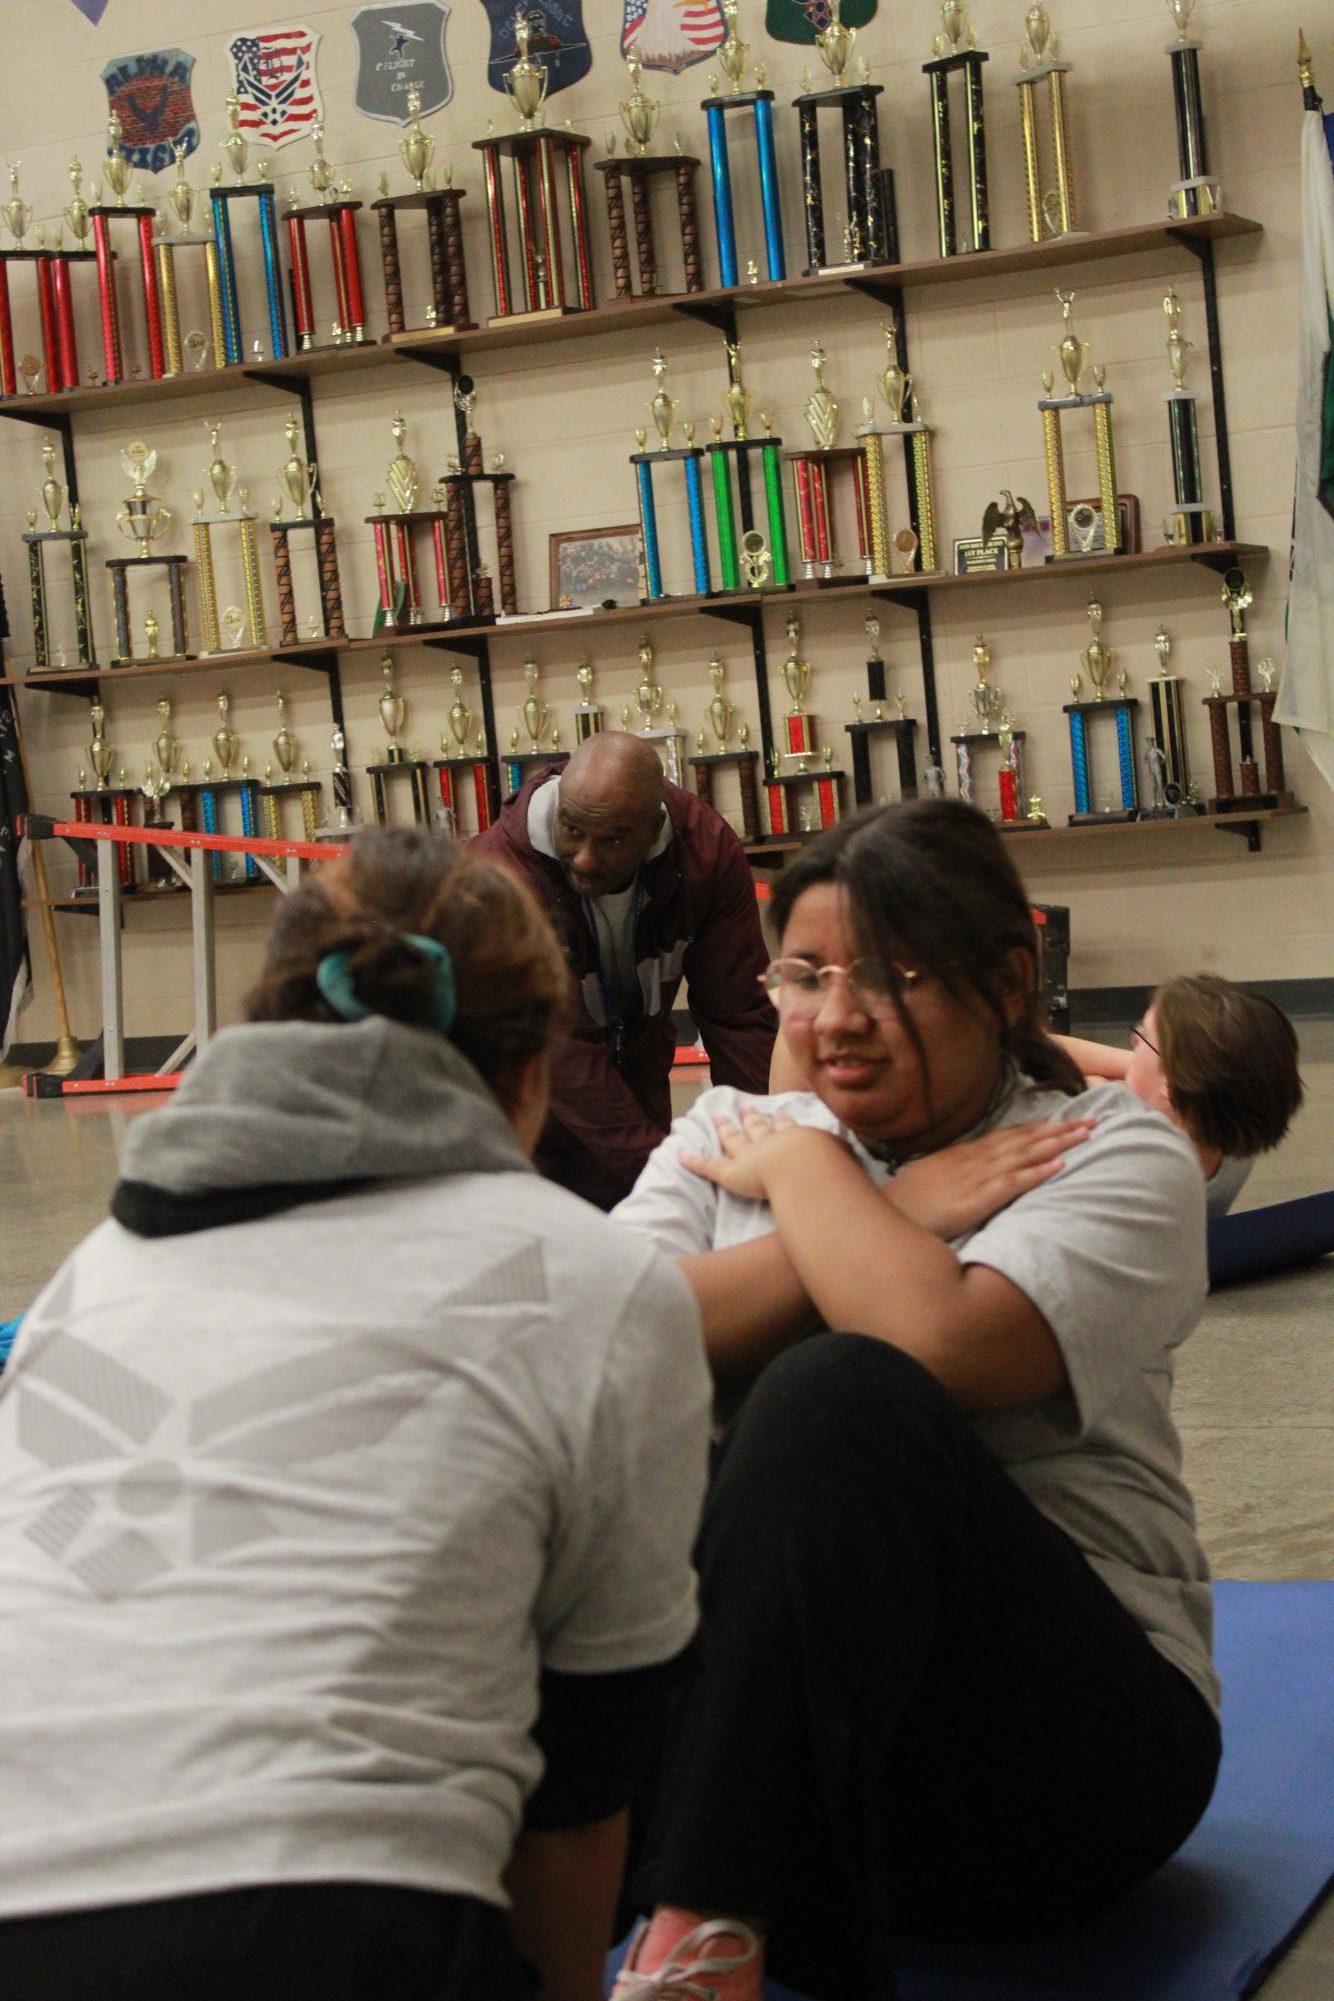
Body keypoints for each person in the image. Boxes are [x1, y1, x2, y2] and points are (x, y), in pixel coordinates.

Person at [0, 827, 711, 2001]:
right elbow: (580, 1792)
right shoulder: (590, 1278)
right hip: (321, 1926)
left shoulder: (97, 1273)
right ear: (532, 1072)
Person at [610, 799, 1222, 2001]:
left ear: (1003, 984)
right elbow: (608, 1351)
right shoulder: (729, 1127)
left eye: (887, 975)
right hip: (787, 1755)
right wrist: (880, 1204)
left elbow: (928, 1345)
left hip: (1042, 1775)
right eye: (805, 974)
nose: (834, 1017)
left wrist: (806, 1175)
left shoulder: (1105, 1153)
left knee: (836, 1390)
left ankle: (704, 1937)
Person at [473, 731, 775, 1211]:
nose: (587, 857)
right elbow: (558, 1050)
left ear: (654, 827)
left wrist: (761, 1155)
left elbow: (739, 1016)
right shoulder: (498, 880)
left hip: (637, 1099)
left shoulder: (705, 853)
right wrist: (669, 1174)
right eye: (571, 830)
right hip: (520, 1132)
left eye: (613, 839)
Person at [1054, 973, 1304, 1216]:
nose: (1132, 1040)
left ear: (1171, 1088)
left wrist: (1100, 1088)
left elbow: (1028, 1051)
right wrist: (1156, 1067)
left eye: (1143, 1037)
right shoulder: (1232, 1138)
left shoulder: (1110, 1140)